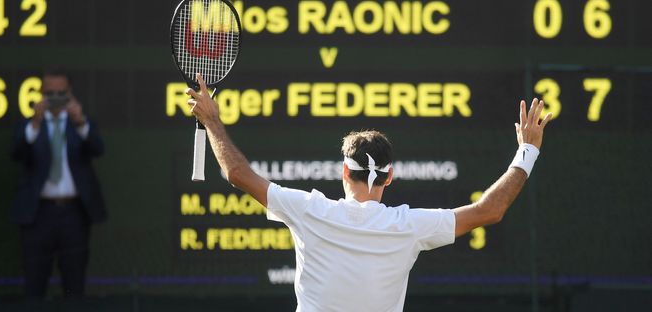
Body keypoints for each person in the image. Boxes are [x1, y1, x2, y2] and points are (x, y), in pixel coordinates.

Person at [185, 74, 552, 312]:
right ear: (389, 177)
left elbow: (236, 173)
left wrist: (212, 121)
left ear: (345, 171)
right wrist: (528, 150)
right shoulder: (409, 226)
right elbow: (490, 210)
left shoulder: (309, 209)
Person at [11, 69, 106, 298]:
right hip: (38, 216)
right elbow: (16, 153)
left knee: (74, 285)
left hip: (73, 214)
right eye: (50, 93)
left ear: (70, 93)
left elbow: (98, 148)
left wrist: (80, 120)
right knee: (34, 285)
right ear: (42, 94)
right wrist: (35, 123)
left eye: (60, 93)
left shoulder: (80, 122)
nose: (55, 98)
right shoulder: (30, 124)